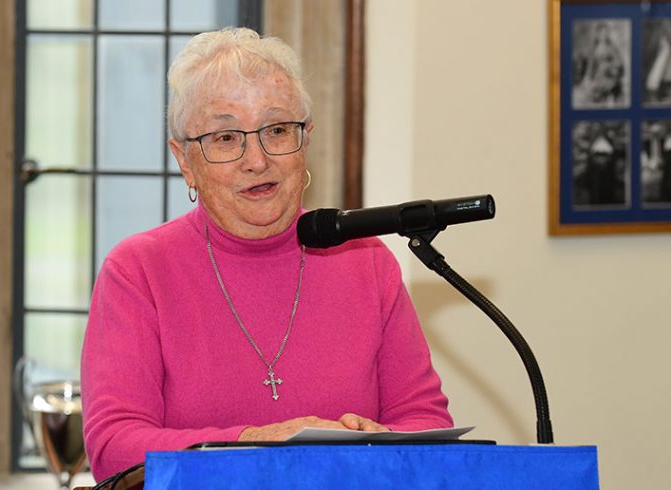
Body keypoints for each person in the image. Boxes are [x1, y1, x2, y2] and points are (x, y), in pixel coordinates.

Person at [80, 28, 453, 480]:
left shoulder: (365, 260)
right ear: (184, 160)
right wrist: (256, 443)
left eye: (276, 130)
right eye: (225, 138)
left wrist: (376, 444)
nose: (256, 159)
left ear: (305, 140)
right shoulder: (138, 271)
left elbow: (429, 424)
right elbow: (113, 449)